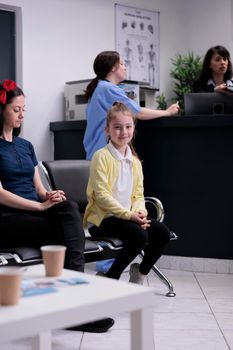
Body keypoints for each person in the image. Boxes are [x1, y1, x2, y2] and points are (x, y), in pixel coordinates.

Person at [0, 79, 114, 333]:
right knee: (65, 235)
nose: (22, 114)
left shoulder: (25, 146)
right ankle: (75, 309)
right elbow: (1, 195)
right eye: (16, 109)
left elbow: (39, 190)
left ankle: (71, 307)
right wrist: (40, 207)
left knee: (68, 206)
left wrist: (50, 197)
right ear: (2, 110)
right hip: (7, 219)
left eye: (24, 109)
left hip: (33, 214)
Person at [83, 102, 171, 283]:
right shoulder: (101, 156)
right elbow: (102, 196)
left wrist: (140, 212)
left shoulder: (135, 161)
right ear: (107, 130)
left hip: (127, 217)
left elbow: (138, 194)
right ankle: (111, 278)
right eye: (117, 127)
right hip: (103, 220)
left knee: (162, 233)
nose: (123, 132)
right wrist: (129, 215)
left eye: (128, 127)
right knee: (139, 235)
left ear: (133, 128)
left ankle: (140, 272)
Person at [83, 50, 180, 161]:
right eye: (122, 64)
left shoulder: (100, 87)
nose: (125, 67)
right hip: (103, 154)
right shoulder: (108, 88)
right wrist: (167, 112)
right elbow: (139, 113)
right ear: (112, 68)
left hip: (96, 152)